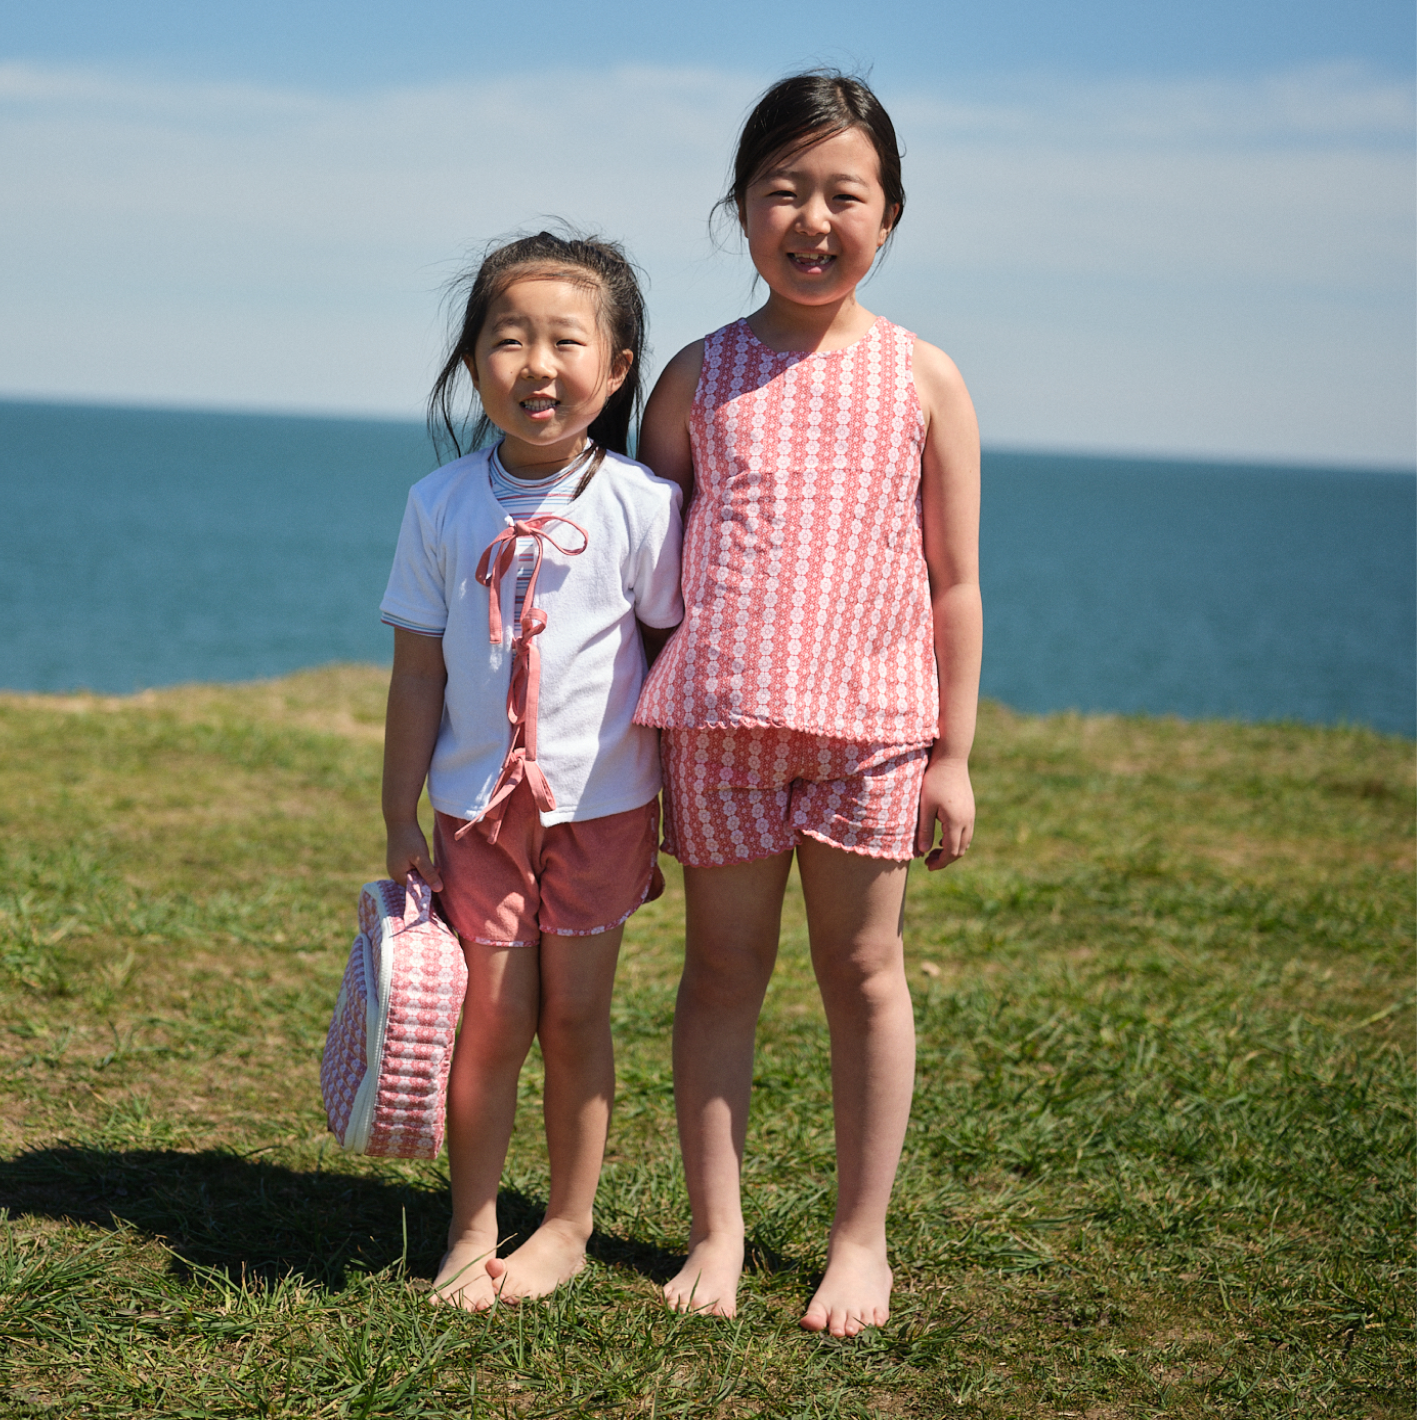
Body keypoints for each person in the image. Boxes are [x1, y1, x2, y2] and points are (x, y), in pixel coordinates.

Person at [634, 71, 982, 1338]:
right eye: (783, 189)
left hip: (875, 733)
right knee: (721, 973)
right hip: (718, 730)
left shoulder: (925, 377)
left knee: (864, 971)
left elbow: (955, 582)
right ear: (740, 209)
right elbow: (645, 571)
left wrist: (952, 753)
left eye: (844, 192)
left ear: (888, 214)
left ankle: (858, 1241)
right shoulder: (695, 375)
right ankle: (715, 1233)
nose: (813, 216)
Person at [380, 231, 684, 1309]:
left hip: (605, 811)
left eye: (566, 340)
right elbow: (418, 671)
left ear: (616, 367)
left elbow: (669, 656)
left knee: (575, 1020)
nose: (537, 364)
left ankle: (567, 1221)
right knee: (493, 1018)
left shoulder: (645, 506)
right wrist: (398, 811)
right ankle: (471, 1221)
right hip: (473, 811)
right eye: (508, 339)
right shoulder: (440, 505)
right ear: (473, 363)